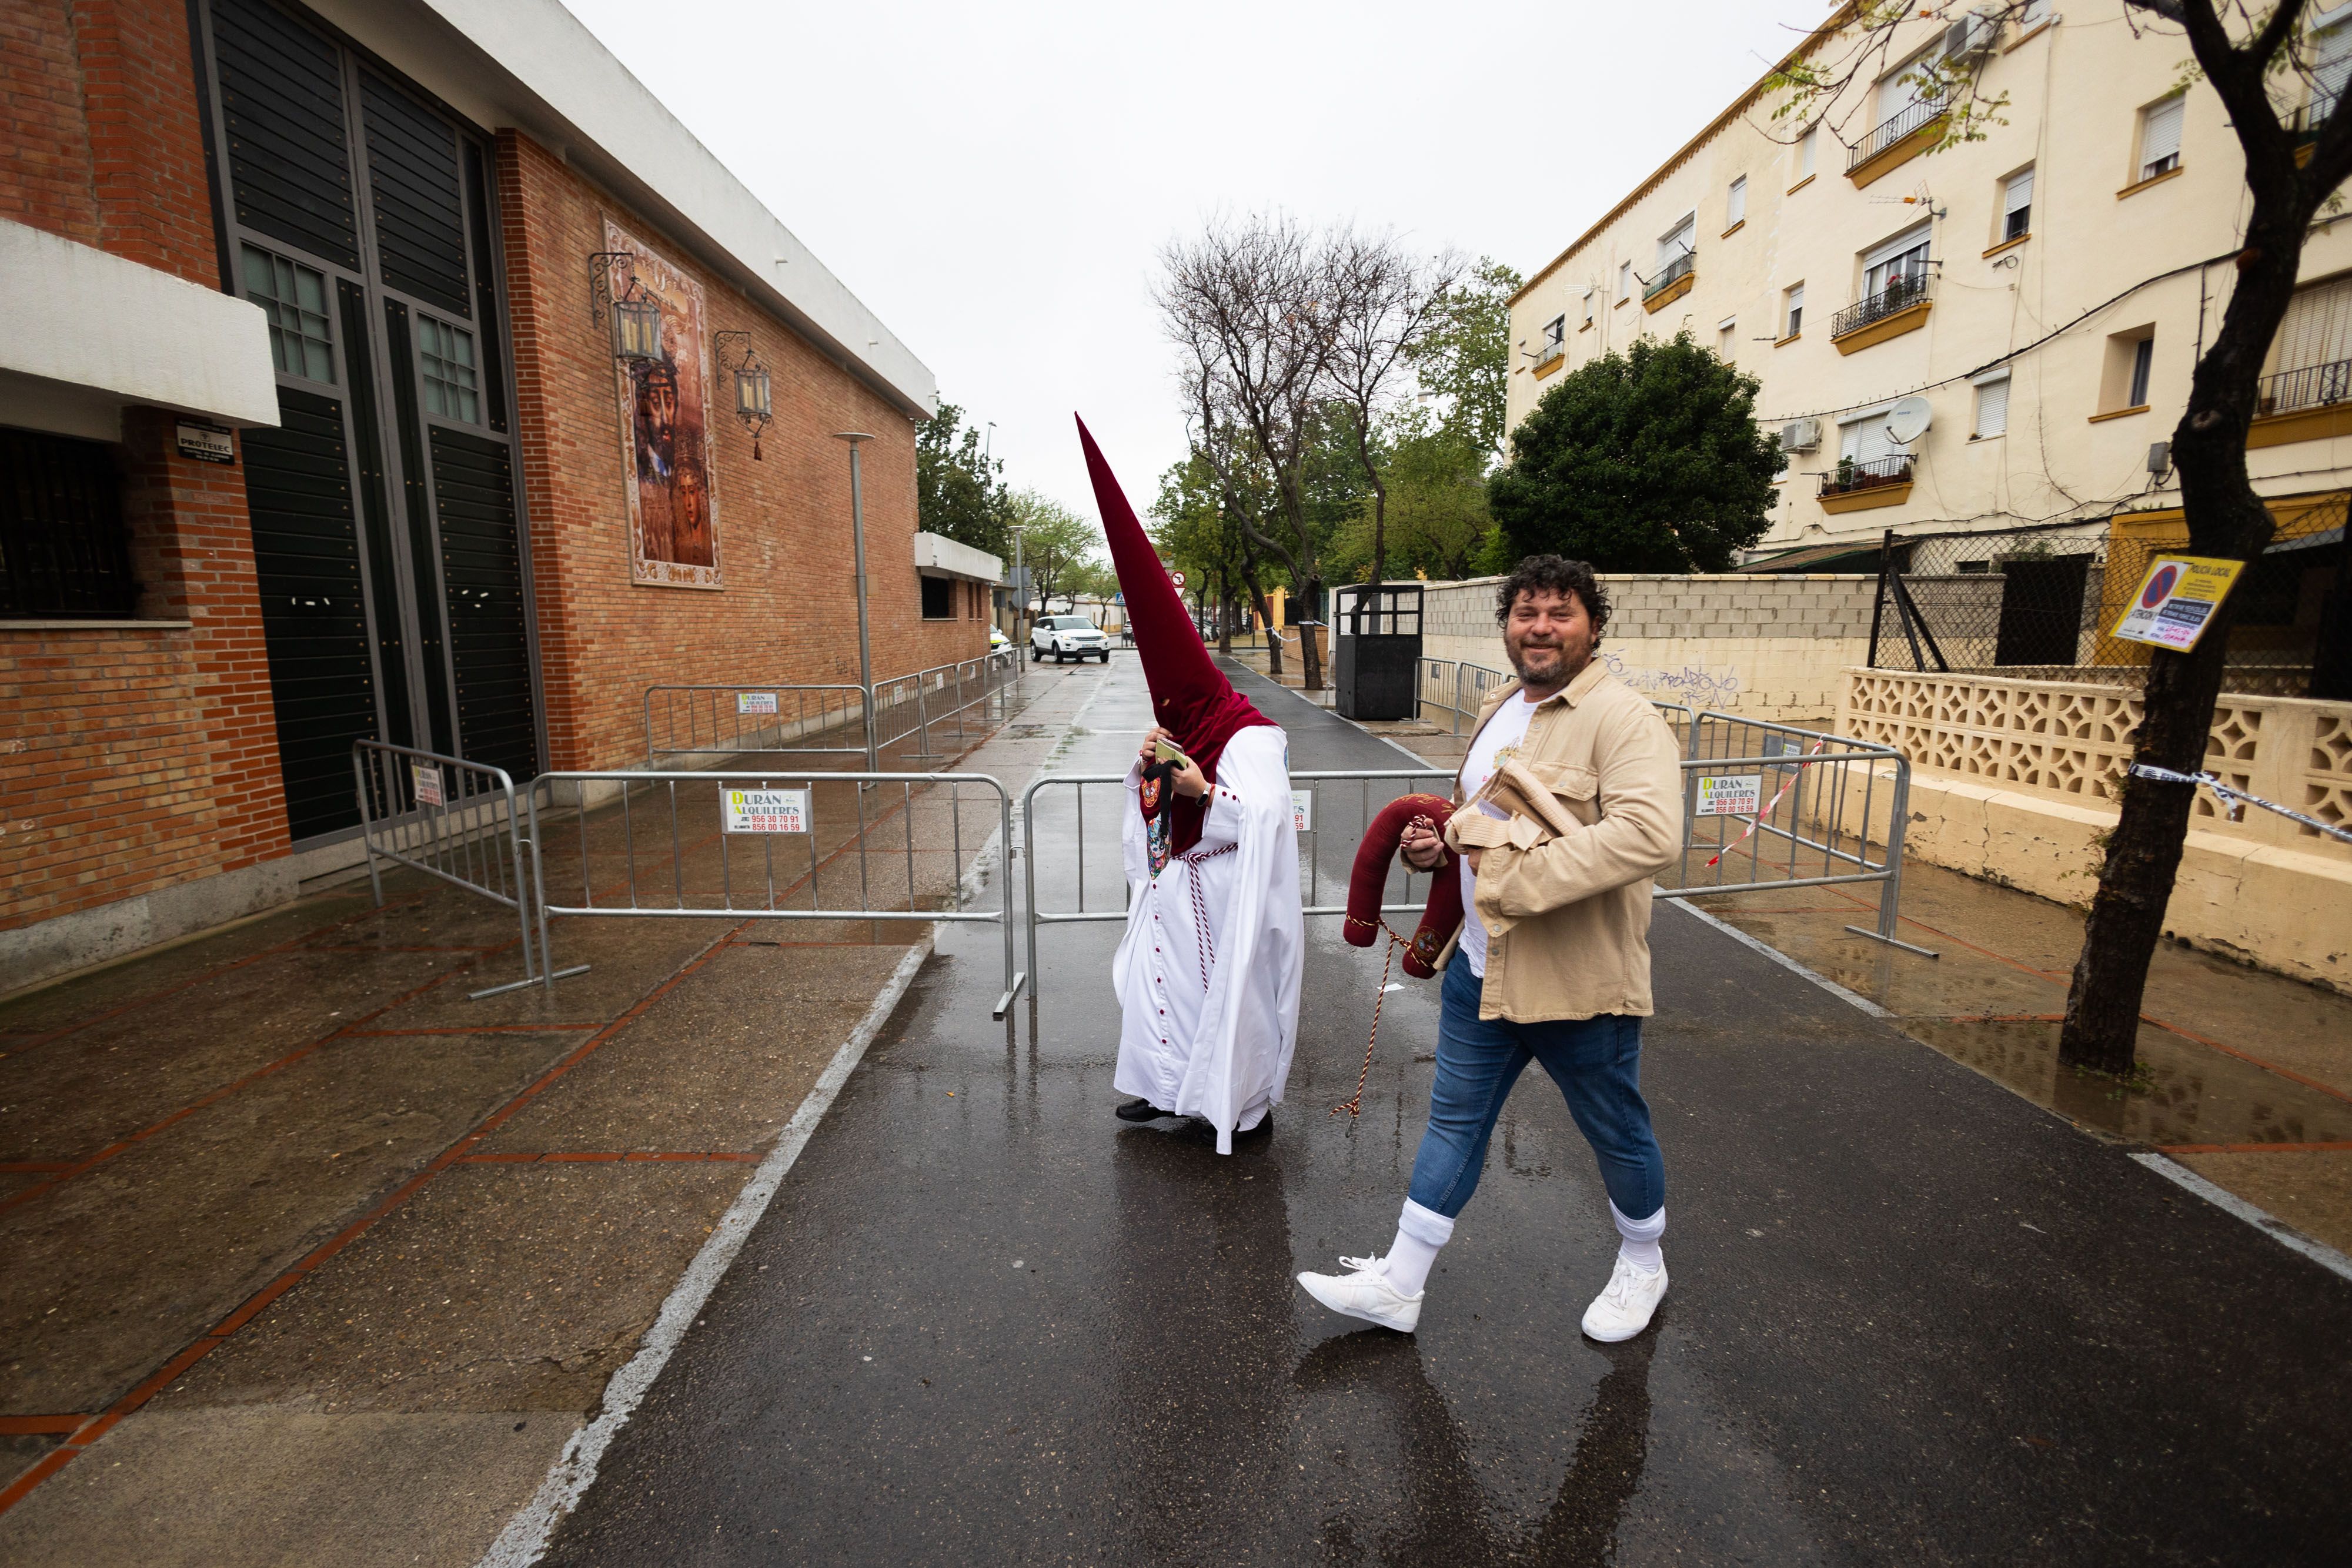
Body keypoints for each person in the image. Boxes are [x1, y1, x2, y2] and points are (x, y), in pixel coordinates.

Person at [1297, 556, 1683, 1340]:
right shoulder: (1501, 705)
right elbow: (1477, 821)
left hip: (1577, 980)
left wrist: (1508, 873)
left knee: (1614, 1125)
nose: (1540, 626)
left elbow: (1649, 836)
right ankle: (1400, 1285)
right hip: (1482, 963)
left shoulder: (1624, 719)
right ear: (1507, 625)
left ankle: (1644, 1261)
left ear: (1594, 626)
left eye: (1560, 612)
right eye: (1526, 612)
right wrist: (1438, 847)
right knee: (1454, 1120)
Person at [1076, 416, 1304, 1155]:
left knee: (1225, 1004)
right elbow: (1149, 804)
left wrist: (1204, 792)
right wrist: (1147, 767)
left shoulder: (1251, 732)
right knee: (1156, 992)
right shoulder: (1185, 724)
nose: (1167, 715)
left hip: (1228, 894)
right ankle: (1161, 1087)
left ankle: (1238, 1105)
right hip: (1173, 883)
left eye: (1174, 705)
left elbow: (1265, 818)